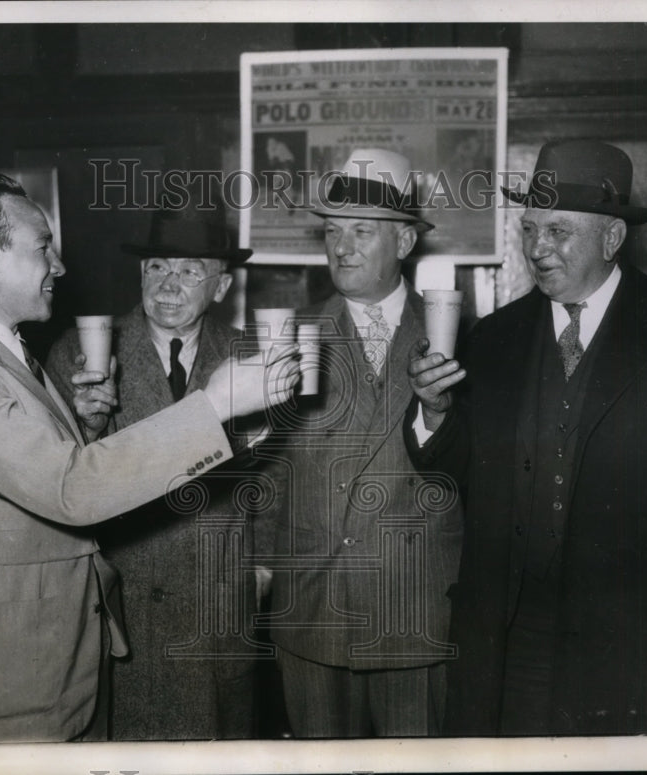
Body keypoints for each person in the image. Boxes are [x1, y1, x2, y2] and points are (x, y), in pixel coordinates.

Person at [0, 173, 298, 743]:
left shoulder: (2, 357)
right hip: (11, 680)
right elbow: (71, 491)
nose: (57, 267)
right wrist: (216, 405)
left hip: (59, 666)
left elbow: (37, 474)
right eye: (42, 248)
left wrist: (84, 423)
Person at [406, 140, 647, 735]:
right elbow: (455, 471)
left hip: (639, 644)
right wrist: (435, 412)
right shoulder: (492, 339)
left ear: (612, 239)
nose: (536, 249)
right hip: (507, 641)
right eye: (530, 229)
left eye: (559, 232)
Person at [260, 149, 464, 737]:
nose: (341, 246)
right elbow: (264, 474)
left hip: (416, 610)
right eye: (332, 231)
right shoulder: (288, 336)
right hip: (312, 613)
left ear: (403, 243)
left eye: (361, 231)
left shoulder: (461, 337)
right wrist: (260, 567)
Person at [45, 197, 264, 740]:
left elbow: (275, 482)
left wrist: (261, 576)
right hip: (125, 616)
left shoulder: (251, 358)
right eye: (157, 267)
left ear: (221, 287)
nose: (168, 283)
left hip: (217, 616)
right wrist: (85, 425)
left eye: (190, 270)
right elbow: (55, 481)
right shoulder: (80, 351)